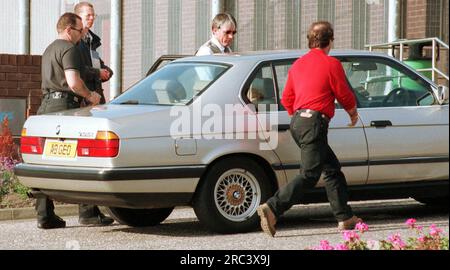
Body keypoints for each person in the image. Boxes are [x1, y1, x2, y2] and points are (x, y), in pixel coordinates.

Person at [257, 21, 362, 237]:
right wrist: (352, 113)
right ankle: (272, 208)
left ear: (310, 40)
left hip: (298, 121)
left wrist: (300, 117)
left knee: (331, 168)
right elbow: (343, 93)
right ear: (330, 41)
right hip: (314, 123)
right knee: (310, 174)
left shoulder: (298, 64)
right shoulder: (331, 63)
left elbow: (287, 99)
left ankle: (344, 217)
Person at [35, 12, 113, 229]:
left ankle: (45, 216)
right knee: (82, 157)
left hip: (46, 106)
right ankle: (88, 213)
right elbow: (73, 81)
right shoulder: (69, 48)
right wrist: (91, 96)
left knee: (44, 161)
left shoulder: (49, 49)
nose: (82, 34)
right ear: (69, 30)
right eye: (79, 30)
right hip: (65, 108)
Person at [74, 2, 113, 105]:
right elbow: (78, 70)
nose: (92, 18)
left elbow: (97, 64)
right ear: (78, 17)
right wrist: (98, 72)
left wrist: (107, 72)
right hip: (82, 99)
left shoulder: (91, 41)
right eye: (88, 15)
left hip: (96, 97)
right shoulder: (74, 41)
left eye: (93, 15)